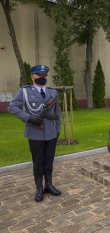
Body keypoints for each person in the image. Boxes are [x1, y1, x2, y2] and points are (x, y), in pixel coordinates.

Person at [8, 65, 61, 202]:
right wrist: (29, 118)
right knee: (38, 162)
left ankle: (48, 185)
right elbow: (12, 107)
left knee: (49, 160)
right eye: (40, 76)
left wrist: (57, 129)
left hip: (51, 133)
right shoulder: (25, 91)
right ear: (33, 76)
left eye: (45, 76)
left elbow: (57, 113)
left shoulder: (52, 92)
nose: (43, 78)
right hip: (35, 133)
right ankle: (39, 188)